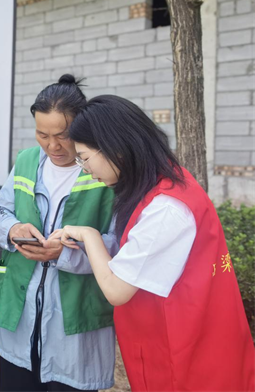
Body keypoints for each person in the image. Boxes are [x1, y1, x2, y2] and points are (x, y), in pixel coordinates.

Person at [60, 95, 255, 391]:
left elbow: (116, 290)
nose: (84, 168)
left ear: (115, 147)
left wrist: (90, 235)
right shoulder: (168, 182)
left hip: (189, 362)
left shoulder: (165, 209)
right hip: (196, 344)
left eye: (84, 158)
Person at [0, 74, 118, 392]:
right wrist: (13, 229)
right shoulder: (26, 161)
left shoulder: (106, 169)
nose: (52, 146)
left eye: (63, 135)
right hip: (21, 314)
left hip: (75, 322)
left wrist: (64, 254)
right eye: (42, 134)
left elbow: (118, 246)